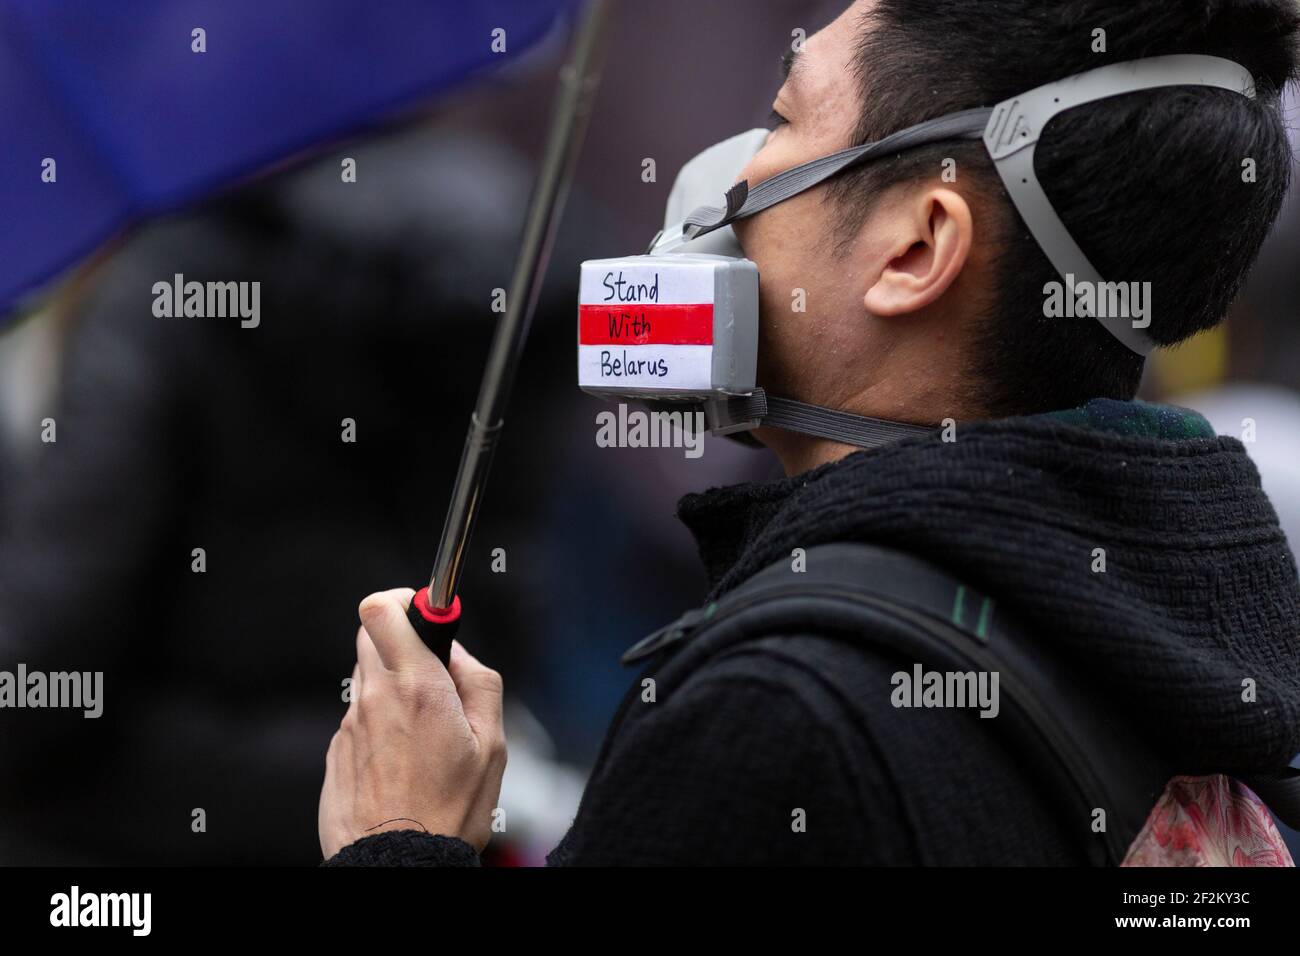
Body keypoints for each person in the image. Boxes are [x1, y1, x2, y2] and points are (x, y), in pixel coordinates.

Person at [318, 0, 1300, 865]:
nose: (731, 177)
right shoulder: (1169, 640)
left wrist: (398, 834)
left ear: (916, 247)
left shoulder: (778, 717)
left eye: (781, 119)